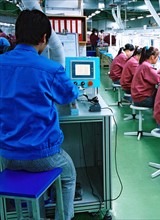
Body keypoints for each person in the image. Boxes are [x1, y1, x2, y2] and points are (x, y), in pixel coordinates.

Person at [0, 9, 79, 220]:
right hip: (43, 155)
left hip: (8, 155)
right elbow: (68, 96)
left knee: (33, 184)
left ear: (16, 35)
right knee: (69, 175)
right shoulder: (51, 69)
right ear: (44, 38)